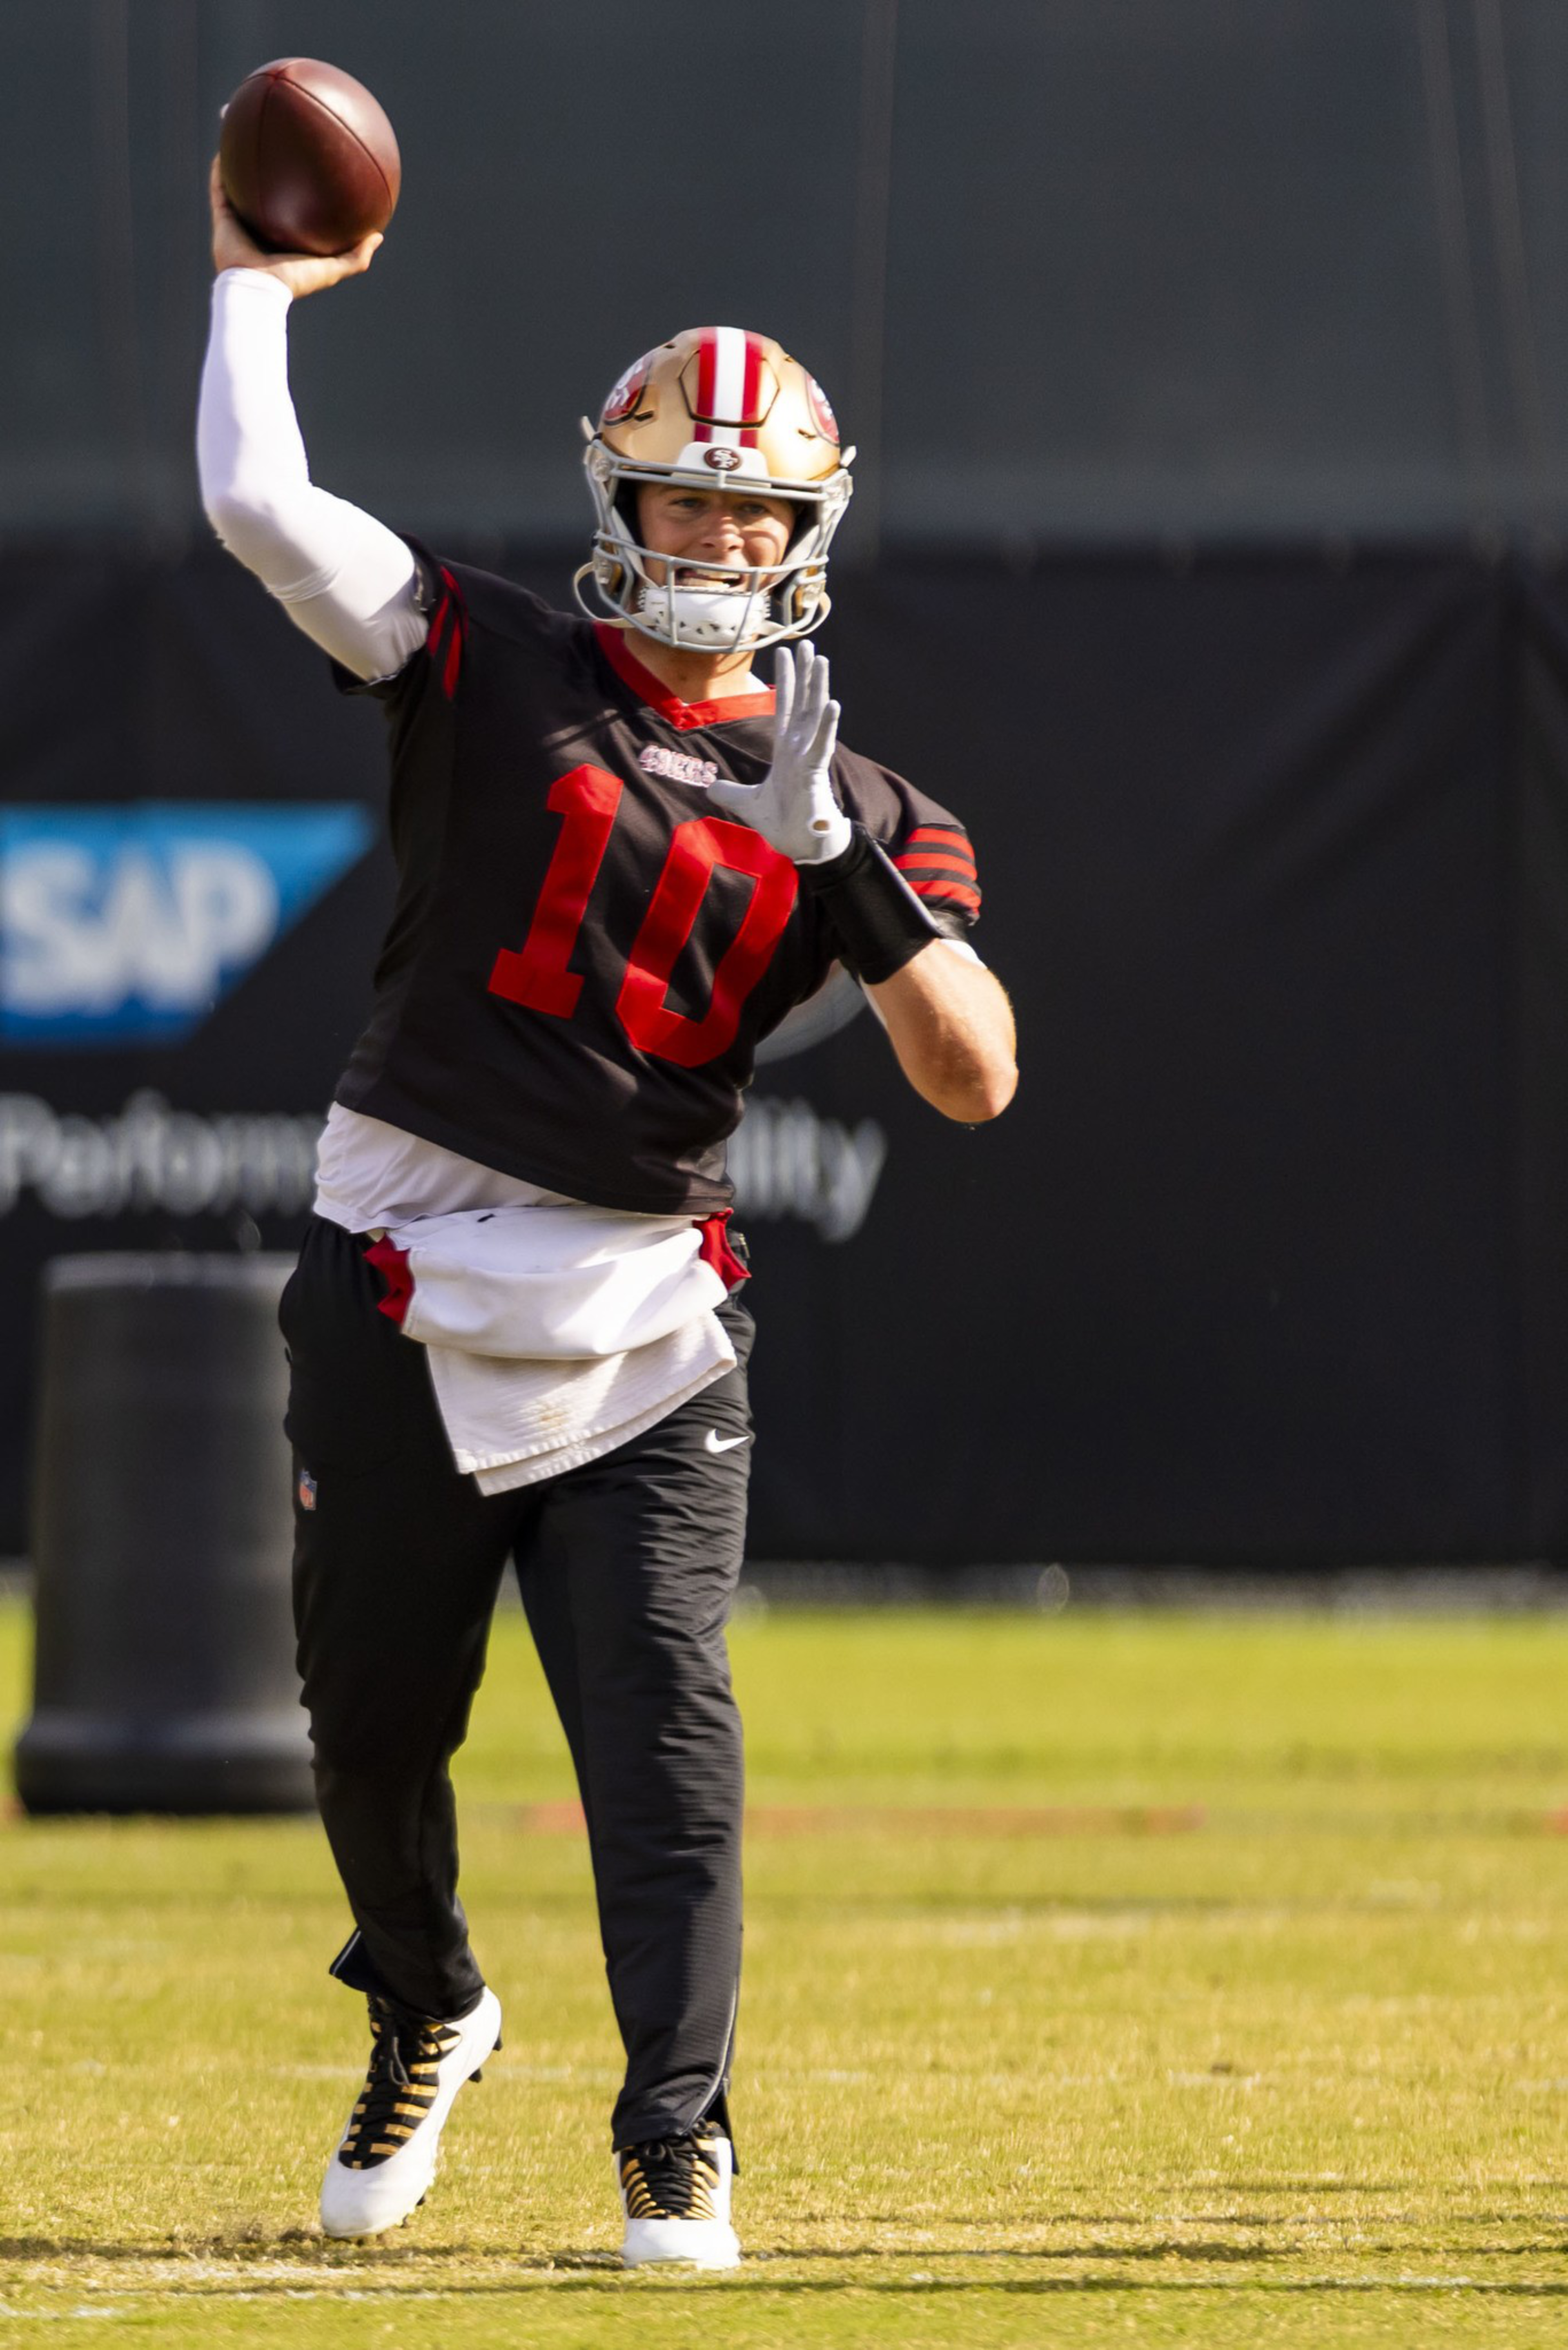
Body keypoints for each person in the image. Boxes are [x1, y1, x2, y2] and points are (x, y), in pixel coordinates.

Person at [197, 161, 1017, 2268]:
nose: (717, 542)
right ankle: (430, 2002)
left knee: (664, 1743)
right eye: (684, 502)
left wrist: (834, 850)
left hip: (642, 1304)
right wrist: (254, 294)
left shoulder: (870, 795)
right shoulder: (493, 660)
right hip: (395, 1268)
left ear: (809, 537)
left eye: (755, 513)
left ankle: (678, 2129)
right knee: (369, 1733)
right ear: (617, 506)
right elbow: (265, 515)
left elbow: (973, 1070)